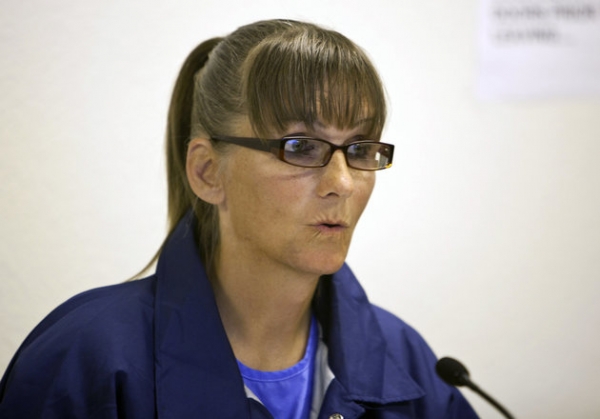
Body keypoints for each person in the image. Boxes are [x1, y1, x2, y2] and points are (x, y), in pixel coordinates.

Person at [0, 19, 479, 419]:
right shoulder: (87, 359)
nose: (343, 183)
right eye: (302, 147)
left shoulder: (407, 361)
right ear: (208, 172)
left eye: (360, 149)